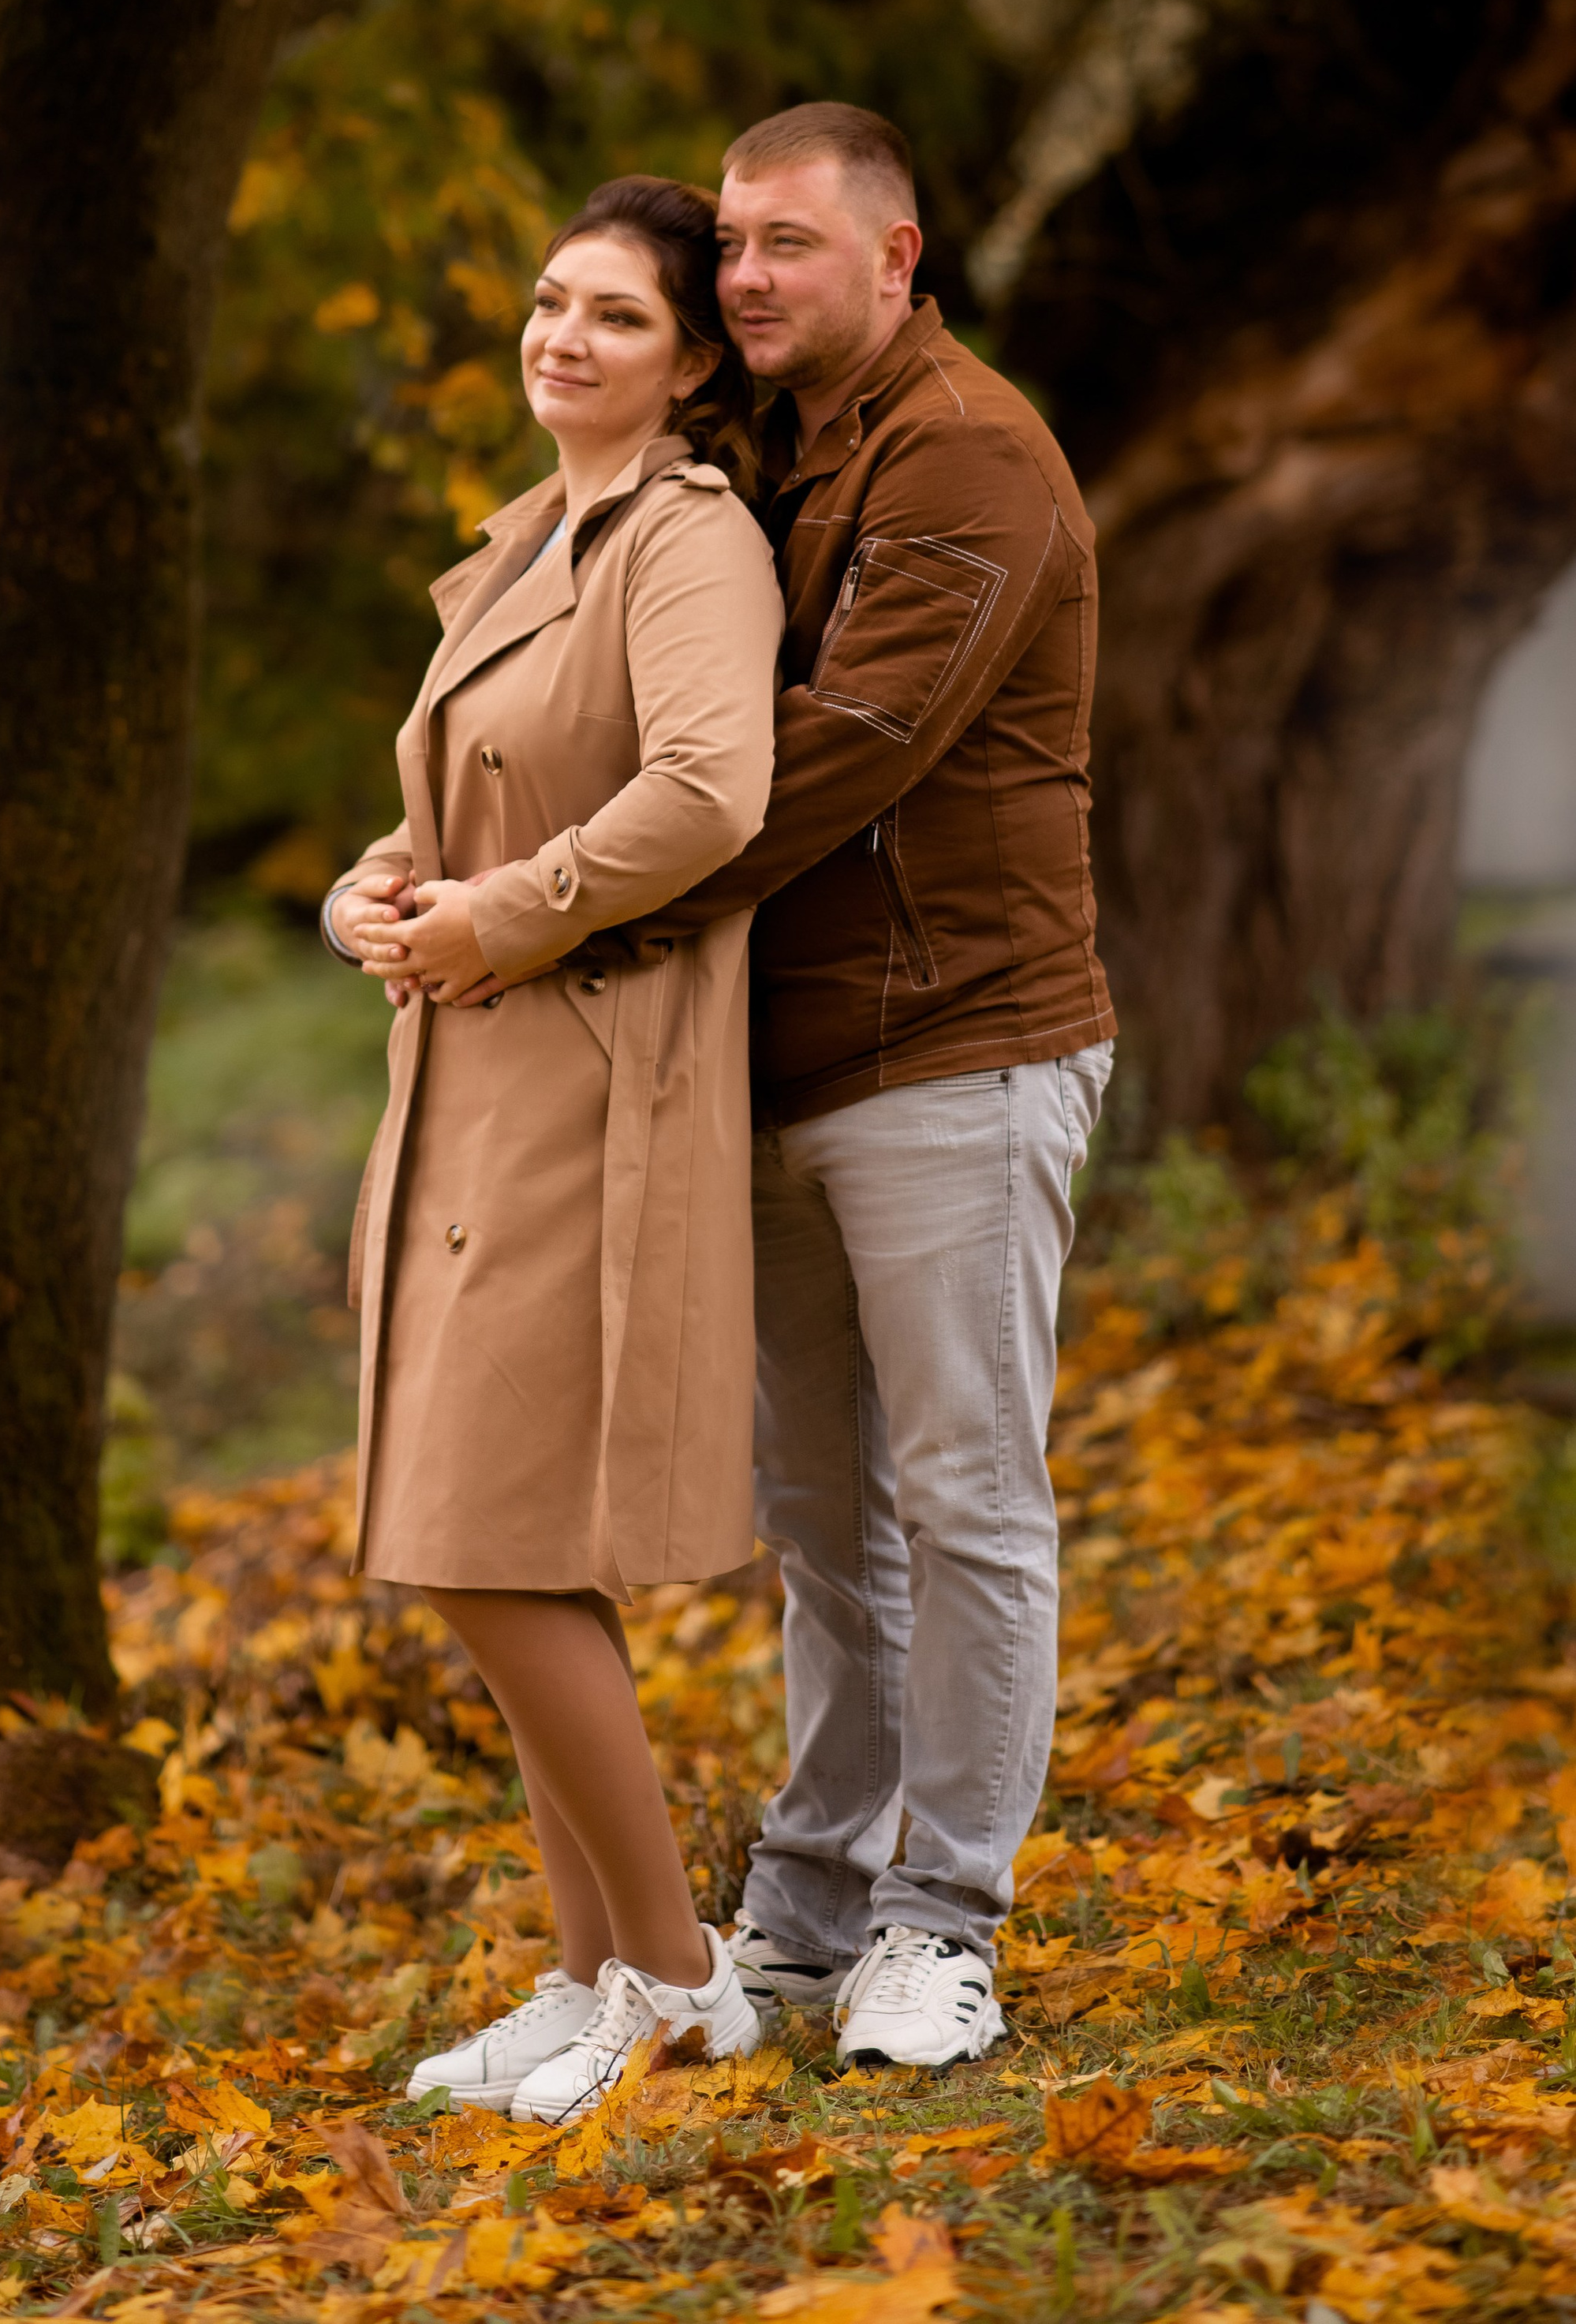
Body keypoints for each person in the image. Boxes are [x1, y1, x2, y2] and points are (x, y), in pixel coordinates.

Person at [639, 102, 1117, 2072]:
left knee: (964, 1499)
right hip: (782, 1064)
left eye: (790, 245)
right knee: (822, 1522)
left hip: (958, 1046)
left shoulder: (968, 452)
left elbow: (837, 751)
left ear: (898, 256)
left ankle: (945, 1925)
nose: (746, 275)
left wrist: (571, 901)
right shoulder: (776, 451)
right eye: (732, 242)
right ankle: (811, 1913)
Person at [322, 175, 784, 2121]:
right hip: (467, 1089)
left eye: (610, 316)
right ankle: (587, 1961)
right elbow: (470, 799)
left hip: (589, 1085)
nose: (559, 337)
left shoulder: (687, 543)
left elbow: (705, 789)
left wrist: (501, 914)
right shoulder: (529, 543)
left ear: (687, 366)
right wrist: (379, 889)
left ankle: (679, 1979)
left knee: (490, 1547)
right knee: (479, 1534)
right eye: (546, 301)